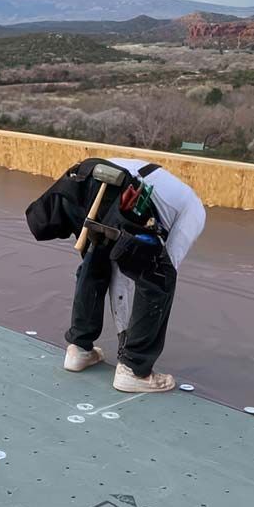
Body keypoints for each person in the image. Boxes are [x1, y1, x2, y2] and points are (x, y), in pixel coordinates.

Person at [25, 157, 205, 393]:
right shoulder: (194, 214)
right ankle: (134, 370)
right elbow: (156, 271)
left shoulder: (172, 196)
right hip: (117, 191)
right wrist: (124, 336)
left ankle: (78, 350)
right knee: (158, 278)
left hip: (81, 181)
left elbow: (117, 267)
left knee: (96, 260)